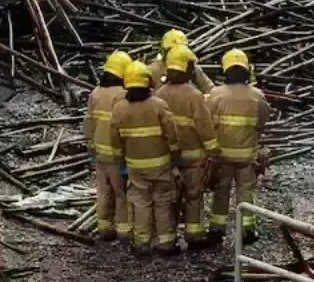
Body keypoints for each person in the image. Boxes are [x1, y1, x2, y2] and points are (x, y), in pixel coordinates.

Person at [110, 60, 181, 255]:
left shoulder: (119, 109)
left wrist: (121, 163)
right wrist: (176, 156)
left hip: (135, 167)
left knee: (140, 203)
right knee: (163, 201)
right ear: (147, 82)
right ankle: (166, 243)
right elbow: (172, 135)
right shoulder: (159, 105)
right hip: (161, 166)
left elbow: (115, 142)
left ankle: (141, 243)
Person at [154, 45, 220, 248]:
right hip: (193, 159)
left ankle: (167, 238)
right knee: (193, 197)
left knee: (169, 199)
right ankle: (194, 235)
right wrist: (213, 151)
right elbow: (204, 126)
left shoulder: (159, 94)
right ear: (187, 67)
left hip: (168, 159)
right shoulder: (194, 95)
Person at [206, 48, 270, 245]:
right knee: (246, 193)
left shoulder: (214, 95)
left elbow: (206, 123)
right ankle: (248, 231)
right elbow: (262, 122)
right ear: (246, 71)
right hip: (246, 157)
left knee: (221, 193)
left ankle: (217, 231)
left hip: (221, 156)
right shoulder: (257, 96)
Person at [86, 50, 133, 241]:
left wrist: (91, 148)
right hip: (116, 154)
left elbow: (88, 123)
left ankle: (104, 226)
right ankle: (123, 230)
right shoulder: (123, 95)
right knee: (121, 192)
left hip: (99, 152)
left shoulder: (95, 93)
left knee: (103, 191)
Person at [147, 29, 213, 93]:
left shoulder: (193, 69)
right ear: (164, 51)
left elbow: (210, 89)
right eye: (171, 50)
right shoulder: (152, 70)